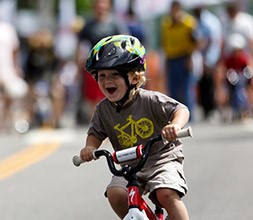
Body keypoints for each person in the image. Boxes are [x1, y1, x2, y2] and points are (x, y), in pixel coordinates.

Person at [79, 35, 190, 220]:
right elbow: (95, 133)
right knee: (115, 193)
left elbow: (181, 110)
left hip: (162, 160)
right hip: (130, 166)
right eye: (102, 76)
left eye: (115, 75)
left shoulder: (150, 99)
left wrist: (174, 126)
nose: (108, 81)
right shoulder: (103, 109)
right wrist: (90, 147)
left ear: (133, 76)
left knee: (166, 194)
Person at [76, 0, 128, 124]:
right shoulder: (88, 25)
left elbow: (124, 42)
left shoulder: (115, 24)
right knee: (93, 97)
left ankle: (111, 125)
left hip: (112, 65)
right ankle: (96, 126)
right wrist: (78, 63)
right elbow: (80, 46)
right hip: (94, 66)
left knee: (112, 94)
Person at [160, 0, 197, 120]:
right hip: (171, 58)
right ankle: (175, 114)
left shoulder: (188, 23)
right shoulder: (166, 23)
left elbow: (194, 42)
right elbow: (164, 43)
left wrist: (190, 58)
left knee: (186, 88)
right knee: (172, 88)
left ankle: (189, 114)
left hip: (184, 57)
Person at [192, 5, 223, 119]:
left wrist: (209, 59)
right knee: (202, 83)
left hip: (209, 57)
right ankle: (205, 109)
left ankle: (213, 109)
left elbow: (213, 42)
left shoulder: (209, 21)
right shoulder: (195, 21)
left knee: (210, 83)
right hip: (199, 58)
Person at [0, 19, 28, 131]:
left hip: (7, 69)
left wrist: (16, 66)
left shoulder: (7, 28)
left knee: (11, 96)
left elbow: (15, 49)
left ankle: (6, 121)